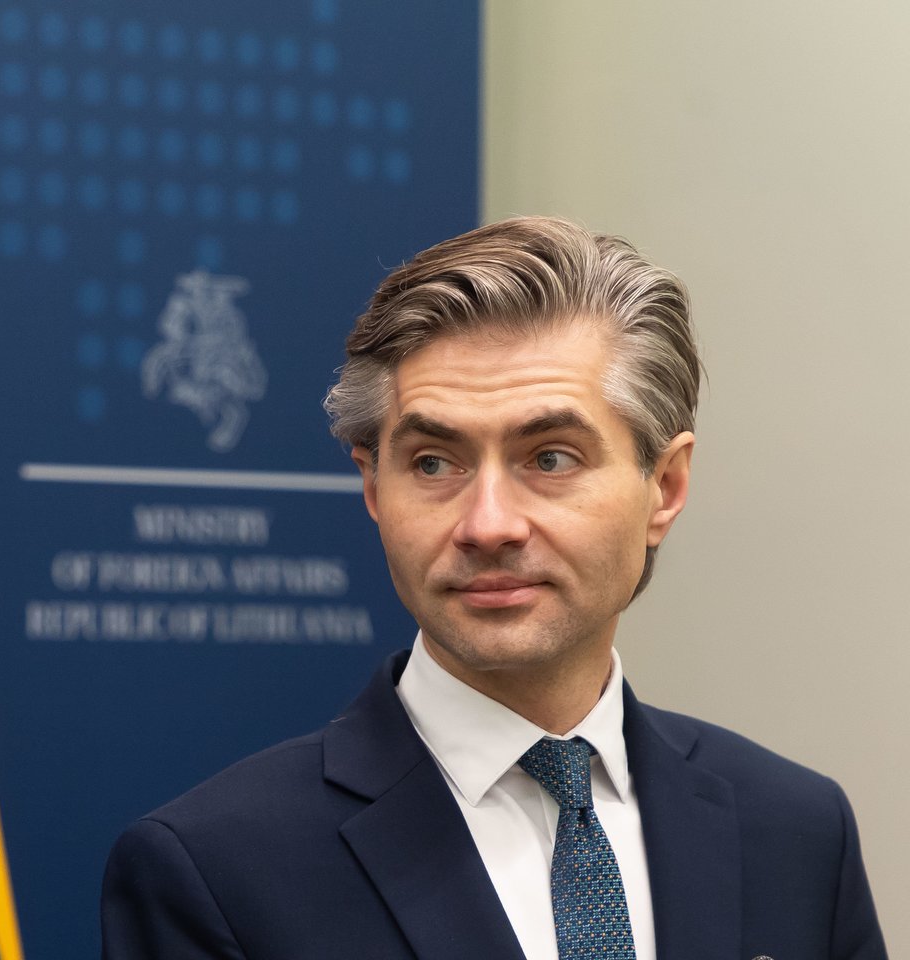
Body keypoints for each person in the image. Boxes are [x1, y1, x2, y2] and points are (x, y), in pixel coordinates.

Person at [100, 217, 887, 959]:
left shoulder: (797, 832)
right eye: (433, 464)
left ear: (666, 486)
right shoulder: (215, 871)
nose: (488, 525)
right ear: (373, 488)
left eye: (550, 458)